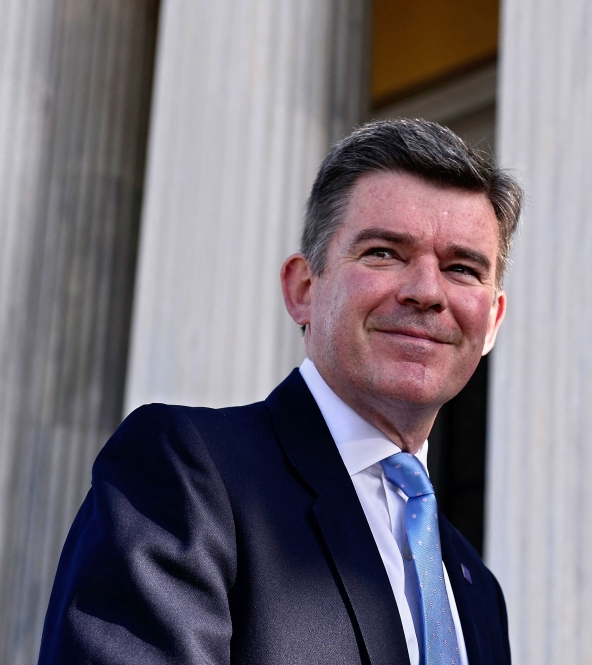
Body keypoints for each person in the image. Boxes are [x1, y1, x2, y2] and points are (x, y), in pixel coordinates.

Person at [38, 119, 523, 665]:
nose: (427, 292)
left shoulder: (477, 588)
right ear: (303, 289)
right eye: (384, 253)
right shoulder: (187, 473)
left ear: (493, 322)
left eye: (461, 268)